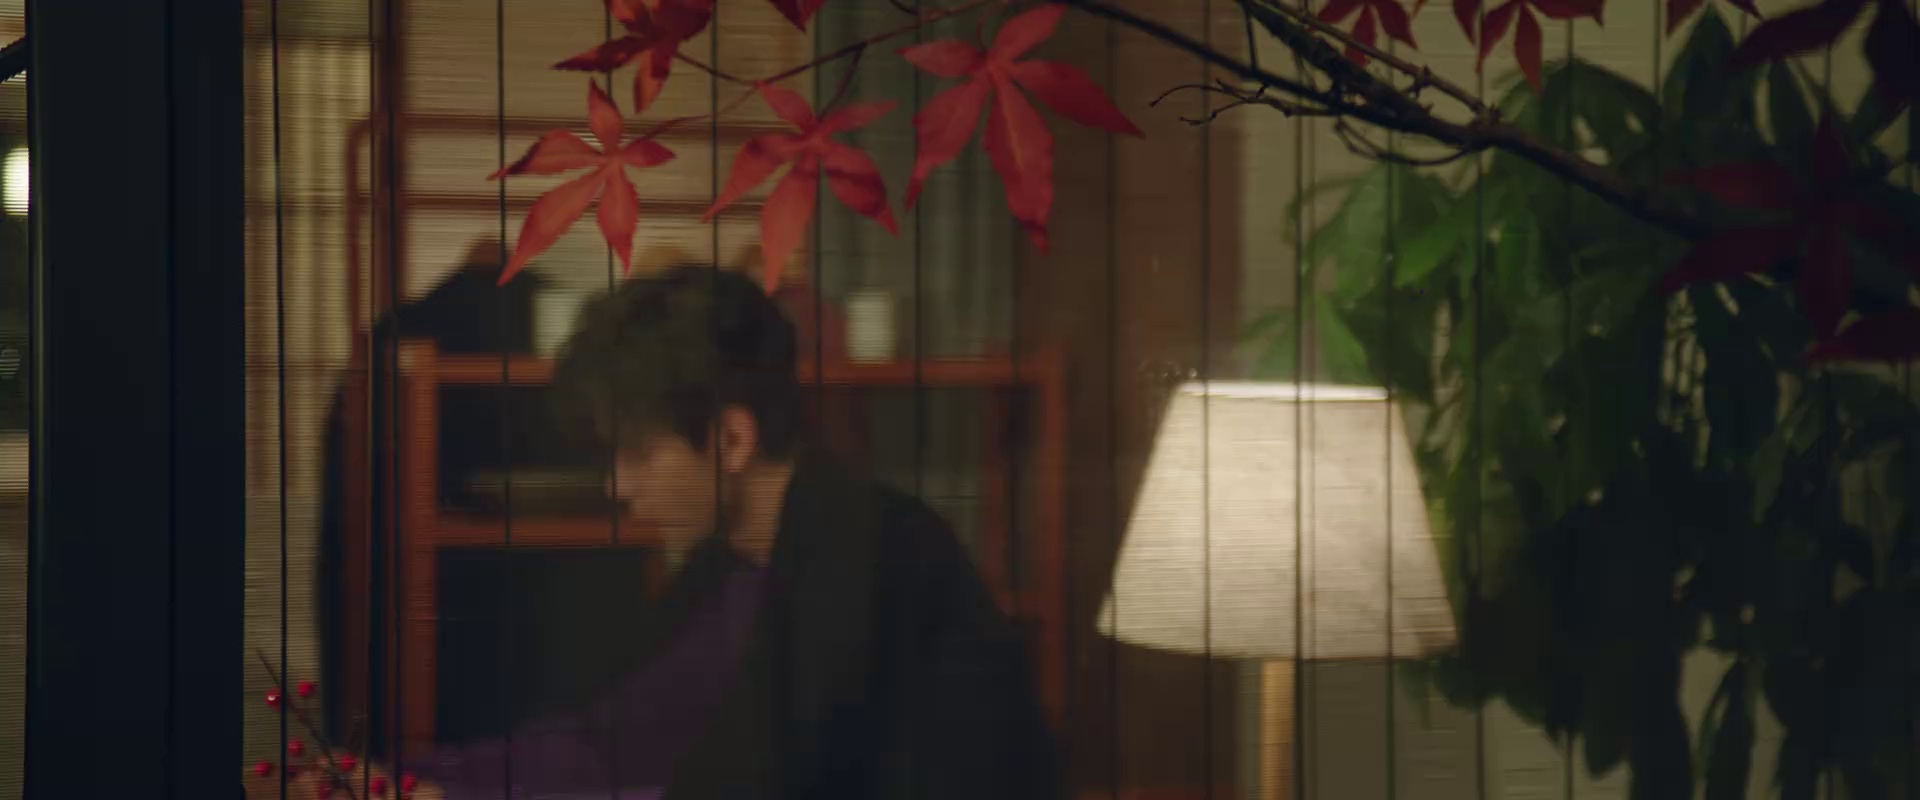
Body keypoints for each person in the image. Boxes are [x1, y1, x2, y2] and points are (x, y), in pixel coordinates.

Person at [397, 264, 1059, 800]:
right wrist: (416, 781)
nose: (619, 486)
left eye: (639, 454)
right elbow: (609, 741)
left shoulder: (872, 551)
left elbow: (754, 782)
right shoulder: (731, 567)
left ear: (733, 439)